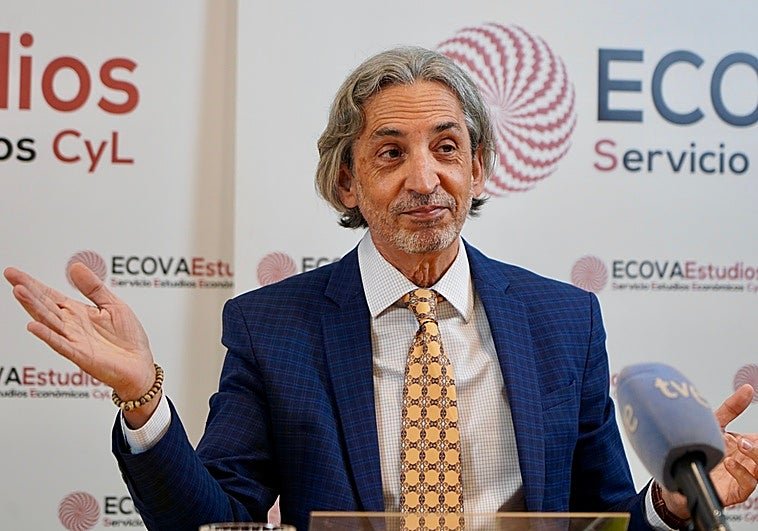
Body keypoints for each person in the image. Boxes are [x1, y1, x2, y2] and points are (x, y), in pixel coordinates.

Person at [4, 47, 757, 531]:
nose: (425, 179)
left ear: (478, 169)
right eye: (391, 153)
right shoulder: (272, 326)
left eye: (447, 148)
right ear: (346, 180)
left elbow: (602, 516)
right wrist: (141, 397)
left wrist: (671, 504)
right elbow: (212, 520)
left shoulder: (564, 320)